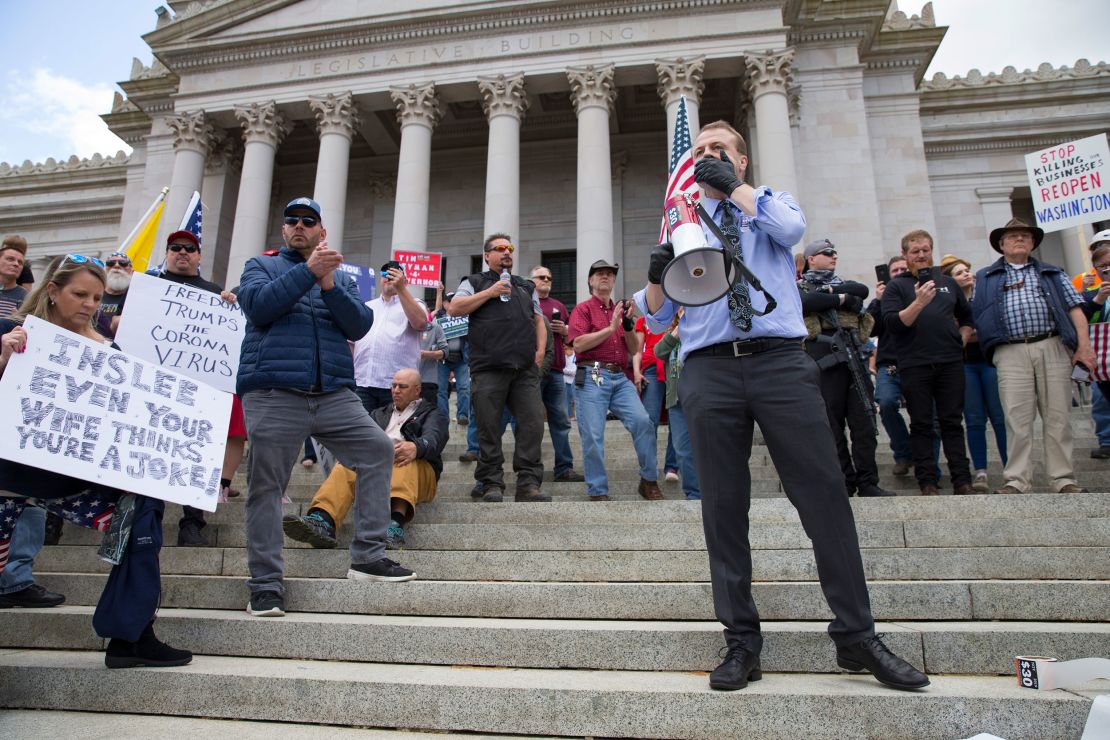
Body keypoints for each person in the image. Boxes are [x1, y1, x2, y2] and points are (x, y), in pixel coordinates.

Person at [635, 120, 927, 692]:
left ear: (742, 162)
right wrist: (653, 278)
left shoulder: (767, 204)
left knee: (823, 498)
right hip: (709, 368)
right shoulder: (683, 221)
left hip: (779, 362)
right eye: (698, 152)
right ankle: (741, 640)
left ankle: (856, 635)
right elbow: (657, 317)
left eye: (719, 150)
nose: (707, 157)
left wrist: (735, 191)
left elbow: (791, 228)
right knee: (722, 509)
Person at [0, 254, 191, 667]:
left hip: (74, 481)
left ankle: (132, 635)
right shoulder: (11, 332)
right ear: (52, 291)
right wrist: (2, 360)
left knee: (144, 513)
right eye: (79, 294)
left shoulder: (110, 350)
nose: (88, 304)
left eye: (97, 297)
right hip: (10, 476)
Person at [238, 197, 415, 619]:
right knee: (266, 485)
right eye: (292, 221)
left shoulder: (341, 278)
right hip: (275, 391)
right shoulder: (260, 266)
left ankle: (368, 556)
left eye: (309, 221)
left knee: (377, 449)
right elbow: (258, 307)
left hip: (333, 393)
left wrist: (329, 284)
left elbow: (359, 324)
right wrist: (308, 272)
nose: (299, 226)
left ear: (322, 232)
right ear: (283, 231)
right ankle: (265, 585)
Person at [971, 218, 1094, 495]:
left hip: (1051, 344)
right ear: (1001, 245)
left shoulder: (1053, 272)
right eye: (1012, 236)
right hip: (1010, 349)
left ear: (1033, 242)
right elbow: (977, 314)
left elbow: (1075, 309)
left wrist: (1083, 348)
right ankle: (1016, 480)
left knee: (1058, 415)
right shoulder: (984, 277)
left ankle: (1063, 478)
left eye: (1024, 236)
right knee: (1016, 417)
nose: (1019, 240)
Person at [283, 368, 449, 550]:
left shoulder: (433, 413)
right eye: (393, 386)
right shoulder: (378, 414)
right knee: (346, 464)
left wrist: (417, 447)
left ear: (417, 390)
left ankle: (395, 526)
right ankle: (323, 520)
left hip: (419, 475)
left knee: (403, 456)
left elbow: (434, 440)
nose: (396, 390)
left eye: (402, 386)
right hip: (379, 468)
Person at [150, 229, 246, 543]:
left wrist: (230, 305)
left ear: (199, 256)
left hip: (196, 389)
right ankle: (147, 518)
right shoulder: (148, 287)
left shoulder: (213, 293)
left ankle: (193, 520)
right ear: (167, 253)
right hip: (155, 387)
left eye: (189, 249)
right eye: (175, 248)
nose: (182, 253)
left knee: (197, 453)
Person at [447, 233, 548, 503]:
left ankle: (528, 483)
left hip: (524, 369)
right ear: (487, 255)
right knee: (488, 428)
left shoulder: (526, 286)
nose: (506, 253)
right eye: (499, 248)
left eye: (510, 248)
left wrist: (539, 353)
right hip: (489, 368)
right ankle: (491, 481)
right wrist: (490, 292)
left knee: (532, 425)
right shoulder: (474, 282)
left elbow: (538, 320)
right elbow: (455, 308)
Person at [880, 229, 975, 496]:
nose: (921, 255)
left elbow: (967, 317)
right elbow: (894, 324)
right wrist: (919, 302)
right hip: (914, 363)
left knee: (952, 422)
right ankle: (927, 481)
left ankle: (962, 480)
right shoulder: (896, 287)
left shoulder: (948, 283)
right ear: (905, 255)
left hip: (949, 362)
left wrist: (961, 341)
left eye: (925, 250)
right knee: (921, 423)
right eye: (915, 251)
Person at [798, 239, 893, 498]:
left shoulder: (845, 284)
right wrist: (839, 298)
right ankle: (844, 480)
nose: (833, 257)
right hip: (822, 360)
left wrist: (830, 295)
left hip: (852, 356)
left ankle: (868, 482)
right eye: (826, 253)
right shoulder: (800, 287)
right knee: (832, 425)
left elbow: (860, 290)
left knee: (863, 421)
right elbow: (804, 302)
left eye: (835, 253)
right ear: (811, 259)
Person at [569, 260, 662, 502]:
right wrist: (611, 328)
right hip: (592, 374)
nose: (605, 277)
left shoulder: (621, 313)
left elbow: (633, 349)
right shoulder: (583, 309)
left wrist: (628, 326)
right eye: (600, 273)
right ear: (590, 280)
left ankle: (649, 480)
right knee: (592, 434)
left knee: (643, 421)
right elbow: (577, 344)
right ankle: (598, 490)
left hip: (619, 377)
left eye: (610, 274)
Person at [940, 254, 1007, 492]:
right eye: (959, 273)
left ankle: (1011, 469)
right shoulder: (946, 303)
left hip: (989, 361)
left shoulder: (986, 297)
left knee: (999, 418)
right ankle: (981, 472)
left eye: (967, 270)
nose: (966, 274)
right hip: (965, 364)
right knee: (974, 419)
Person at [529, 265, 583, 482]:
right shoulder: (527, 302)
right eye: (542, 277)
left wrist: (565, 330)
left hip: (558, 370)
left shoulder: (559, 305)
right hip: (533, 369)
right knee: (532, 420)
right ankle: (531, 469)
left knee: (560, 420)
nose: (546, 280)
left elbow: (573, 334)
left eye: (549, 277)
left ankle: (564, 467)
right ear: (532, 281)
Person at [353, 260, 428, 411]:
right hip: (363, 384)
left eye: (395, 275)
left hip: (398, 387)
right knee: (362, 433)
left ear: (404, 281)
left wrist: (401, 290)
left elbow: (420, 323)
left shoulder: (416, 304)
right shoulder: (368, 306)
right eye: (385, 274)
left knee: (394, 432)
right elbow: (352, 341)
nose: (389, 278)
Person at [866, 256, 914, 477]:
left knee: (925, 414)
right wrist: (878, 301)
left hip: (916, 360)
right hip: (889, 363)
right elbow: (869, 330)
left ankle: (924, 460)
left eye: (903, 269)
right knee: (885, 403)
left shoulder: (918, 293)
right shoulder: (883, 298)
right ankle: (903, 454)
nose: (898, 273)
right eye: (894, 270)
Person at [652, 309, 701, 499]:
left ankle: (710, 491)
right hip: (677, 400)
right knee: (682, 449)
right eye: (680, 307)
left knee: (706, 447)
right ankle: (694, 494)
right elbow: (659, 351)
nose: (683, 309)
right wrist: (678, 330)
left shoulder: (702, 329)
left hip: (700, 396)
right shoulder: (672, 334)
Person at [634, 314, 680, 482]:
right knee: (649, 419)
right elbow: (637, 350)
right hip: (652, 368)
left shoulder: (677, 313)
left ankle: (672, 467)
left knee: (677, 418)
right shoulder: (643, 319)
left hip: (676, 365)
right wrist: (636, 371)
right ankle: (648, 467)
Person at [1081, 231, 1110, 459]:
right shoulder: (1090, 292)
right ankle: (1107, 440)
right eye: (1103, 266)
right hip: (1103, 361)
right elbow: (1081, 321)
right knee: (1102, 401)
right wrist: (1097, 300)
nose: (1107, 269)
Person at [96, 251, 133, 339]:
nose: (116, 266)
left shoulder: (137, 298)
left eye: (123, 263)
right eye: (110, 263)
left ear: (132, 271)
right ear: (104, 270)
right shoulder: (93, 294)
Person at [418, 319, 448, 404]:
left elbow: (445, 352)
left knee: (428, 412)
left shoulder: (436, 328)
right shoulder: (405, 327)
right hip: (407, 381)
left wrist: (426, 354)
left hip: (428, 379)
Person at [0, 236, 28, 317]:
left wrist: (19, 321)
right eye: (10, 259)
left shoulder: (27, 298)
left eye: (20, 262)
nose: (16, 264)